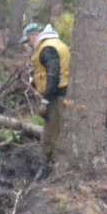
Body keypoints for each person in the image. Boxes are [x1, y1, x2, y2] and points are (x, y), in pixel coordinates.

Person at [23, 22, 70, 174]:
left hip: (56, 97)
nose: (28, 44)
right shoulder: (53, 44)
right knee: (49, 136)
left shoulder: (47, 48)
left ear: (35, 36)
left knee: (53, 137)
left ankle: (57, 171)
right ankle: (50, 167)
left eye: (28, 40)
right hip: (57, 96)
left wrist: (45, 100)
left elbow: (53, 75)